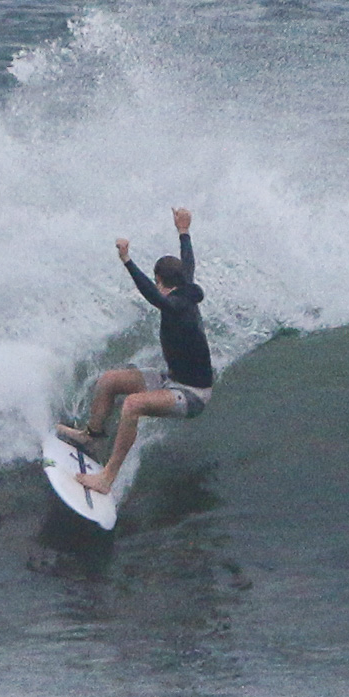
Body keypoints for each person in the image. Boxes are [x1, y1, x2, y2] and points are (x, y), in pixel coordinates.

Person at [56, 207, 214, 495]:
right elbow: (188, 261)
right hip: (171, 378)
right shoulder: (186, 285)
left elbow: (154, 297)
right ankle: (91, 437)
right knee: (110, 381)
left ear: (160, 281)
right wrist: (183, 231)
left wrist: (127, 260)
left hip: (193, 394)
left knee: (132, 405)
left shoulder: (176, 304)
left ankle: (107, 478)